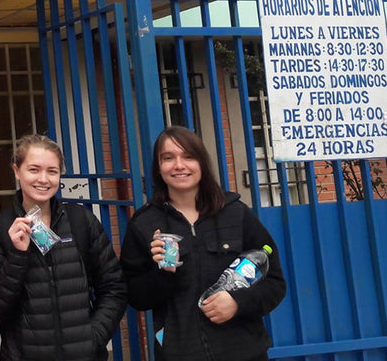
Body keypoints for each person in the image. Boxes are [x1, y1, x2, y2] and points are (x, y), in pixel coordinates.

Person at [120, 125, 286, 361]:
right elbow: (136, 296)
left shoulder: (235, 213)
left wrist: (237, 303)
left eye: (188, 156)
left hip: (245, 353)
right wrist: (164, 274)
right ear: (158, 167)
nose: (179, 165)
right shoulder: (144, 223)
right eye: (168, 158)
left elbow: (275, 283)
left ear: (201, 164)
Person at [0, 134, 127, 361]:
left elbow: (114, 287)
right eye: (34, 170)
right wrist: (17, 255)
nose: (43, 179)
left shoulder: (80, 221)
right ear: (17, 171)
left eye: (52, 171)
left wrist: (93, 336)